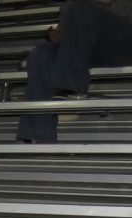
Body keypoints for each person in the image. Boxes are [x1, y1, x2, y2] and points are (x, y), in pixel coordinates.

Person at [16, 0, 132, 144]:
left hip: (125, 40)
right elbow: (71, 34)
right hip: (95, 49)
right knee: (42, 52)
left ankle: (71, 90)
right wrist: (58, 36)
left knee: (79, 6)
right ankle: (39, 135)